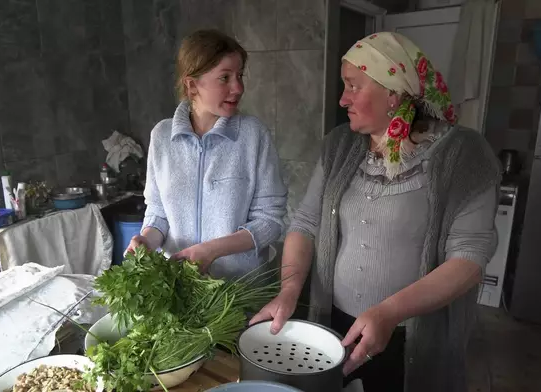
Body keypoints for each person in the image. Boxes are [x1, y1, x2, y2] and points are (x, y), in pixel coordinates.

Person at [251, 32, 501, 392]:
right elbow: (305, 223)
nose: (342, 99)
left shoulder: (463, 155)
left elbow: (469, 257)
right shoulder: (340, 144)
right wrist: (289, 290)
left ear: (393, 92)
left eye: (353, 86)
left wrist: (389, 312)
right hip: (335, 322)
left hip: (409, 334)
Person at [126, 29, 288, 280]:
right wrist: (146, 241)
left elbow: (271, 221)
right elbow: (158, 212)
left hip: (240, 290)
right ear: (192, 85)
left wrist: (212, 250)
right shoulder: (162, 136)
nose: (238, 88)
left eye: (240, 75)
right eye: (225, 78)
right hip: (180, 285)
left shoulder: (253, 135)